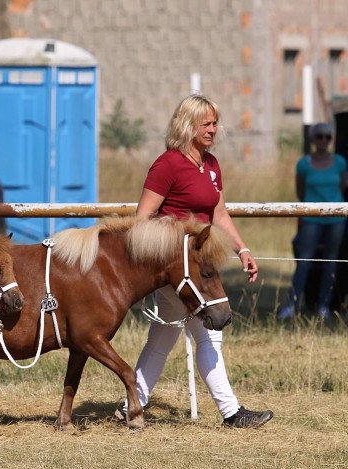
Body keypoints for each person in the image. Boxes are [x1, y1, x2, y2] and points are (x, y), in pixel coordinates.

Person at [119, 93, 273, 428]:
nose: (214, 129)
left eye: (215, 123)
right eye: (207, 123)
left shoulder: (212, 164)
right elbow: (142, 219)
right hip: (178, 271)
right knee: (209, 335)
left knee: (161, 339)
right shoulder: (168, 165)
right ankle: (232, 413)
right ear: (187, 125)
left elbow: (219, 214)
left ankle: (132, 406)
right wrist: (177, 242)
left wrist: (242, 249)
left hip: (202, 268)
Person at [277, 122, 347, 320]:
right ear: (313, 139)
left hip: (336, 219)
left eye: (327, 137)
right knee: (304, 261)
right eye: (320, 136)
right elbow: (300, 191)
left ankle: (324, 306)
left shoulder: (340, 162)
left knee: (331, 262)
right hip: (310, 218)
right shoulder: (304, 164)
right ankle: (293, 305)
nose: (324, 140)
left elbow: (342, 186)